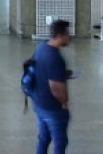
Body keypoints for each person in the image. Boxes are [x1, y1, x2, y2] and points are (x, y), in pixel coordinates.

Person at [32, 19, 74, 154]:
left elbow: (40, 68)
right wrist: (64, 103)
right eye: (67, 33)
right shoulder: (55, 58)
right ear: (60, 35)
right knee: (60, 143)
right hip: (53, 108)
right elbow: (55, 87)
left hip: (39, 103)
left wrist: (62, 74)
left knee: (43, 139)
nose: (70, 36)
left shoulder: (42, 47)